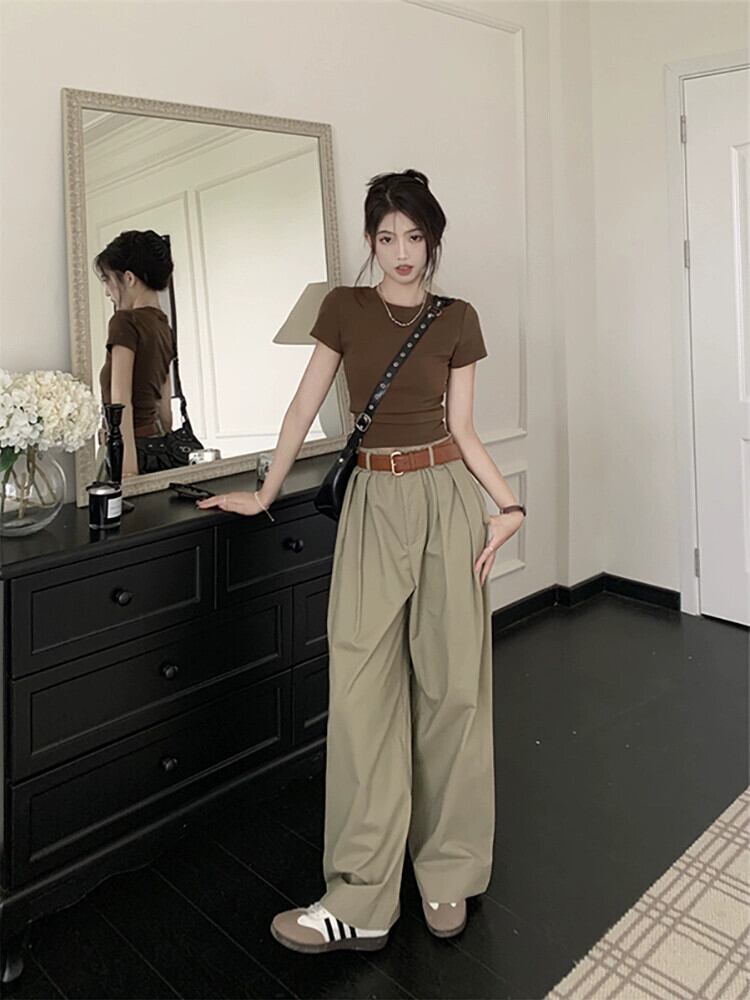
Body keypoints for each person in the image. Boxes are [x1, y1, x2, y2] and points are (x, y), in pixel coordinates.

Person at [197, 169, 526, 953]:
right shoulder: (342, 308)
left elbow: (464, 428)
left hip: (446, 497)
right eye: (386, 237)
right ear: (371, 241)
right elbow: (302, 407)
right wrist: (263, 491)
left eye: (414, 237)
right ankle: (362, 896)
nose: (401, 252)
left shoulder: (458, 318)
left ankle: (448, 870)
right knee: (360, 693)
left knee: (452, 689)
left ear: (432, 240)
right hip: (374, 501)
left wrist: (510, 505)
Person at [94, 230, 175, 477]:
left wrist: (128, 471)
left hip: (128, 453)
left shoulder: (124, 322)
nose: (107, 292)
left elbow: (121, 402)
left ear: (129, 278)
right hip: (154, 451)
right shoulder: (163, 326)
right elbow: (165, 413)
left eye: (107, 280)